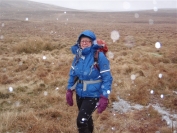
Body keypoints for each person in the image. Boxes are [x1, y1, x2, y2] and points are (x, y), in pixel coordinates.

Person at [66, 30, 113, 133]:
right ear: (79, 42)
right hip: (80, 94)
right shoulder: (78, 56)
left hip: (93, 95)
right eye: (82, 41)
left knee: (81, 121)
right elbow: (72, 74)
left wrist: (104, 96)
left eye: (87, 41)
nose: (84, 43)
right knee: (87, 118)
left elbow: (107, 78)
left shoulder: (99, 56)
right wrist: (69, 90)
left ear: (92, 43)